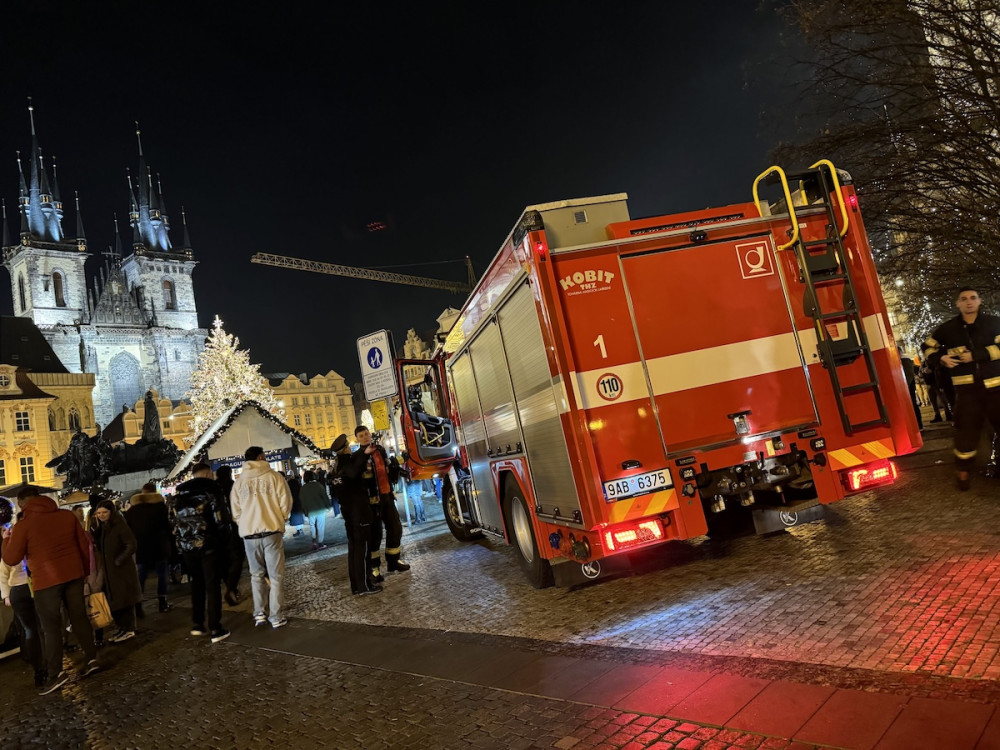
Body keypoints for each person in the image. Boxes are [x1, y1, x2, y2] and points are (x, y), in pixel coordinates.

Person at [1, 486, 100, 694]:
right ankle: (91, 658)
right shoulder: (66, 516)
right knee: (79, 617)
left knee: (51, 627)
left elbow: (11, 558)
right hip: (73, 574)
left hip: (46, 581)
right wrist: (82, 572)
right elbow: (83, 545)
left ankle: (56, 674)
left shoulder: (23, 526)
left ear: (21, 503)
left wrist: (6, 540)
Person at [921, 286, 1000, 491]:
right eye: (964, 299)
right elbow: (928, 346)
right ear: (958, 304)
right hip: (967, 392)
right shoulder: (948, 329)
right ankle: (963, 472)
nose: (969, 302)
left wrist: (976, 355)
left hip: (996, 388)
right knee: (966, 432)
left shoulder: (994, 323)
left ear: (979, 301)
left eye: (973, 298)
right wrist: (941, 358)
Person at [230, 446, 293, 628]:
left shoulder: (239, 482)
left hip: (250, 535)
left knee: (256, 575)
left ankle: (259, 614)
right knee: (275, 576)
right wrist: (280, 518)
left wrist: (245, 523)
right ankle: (275, 616)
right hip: (271, 531)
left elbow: (236, 511)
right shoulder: (274, 477)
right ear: (260, 457)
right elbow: (285, 502)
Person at [172, 462, 231, 643]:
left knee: (196, 583)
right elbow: (221, 519)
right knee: (212, 585)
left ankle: (198, 623)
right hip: (209, 544)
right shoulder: (211, 491)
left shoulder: (179, 496)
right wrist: (225, 542)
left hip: (188, 547)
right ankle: (215, 627)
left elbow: (173, 523)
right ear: (206, 474)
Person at [0, 496, 45, 687]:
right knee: (37, 628)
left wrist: (6, 594)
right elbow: (4, 571)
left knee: (32, 629)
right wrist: (6, 594)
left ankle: (39, 668)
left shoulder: (11, 545)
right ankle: (42, 663)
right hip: (28, 588)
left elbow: (4, 570)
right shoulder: (25, 544)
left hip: (23, 589)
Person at [355, 426, 410, 582]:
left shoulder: (380, 449)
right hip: (372, 502)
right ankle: (374, 569)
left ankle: (393, 561)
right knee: (375, 535)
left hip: (387, 495)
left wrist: (396, 469)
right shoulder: (358, 456)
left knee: (396, 528)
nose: (365, 437)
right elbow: (357, 475)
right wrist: (364, 457)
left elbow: (387, 471)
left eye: (366, 434)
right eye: (361, 435)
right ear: (357, 439)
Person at [332, 434, 381, 595]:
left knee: (354, 550)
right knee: (362, 550)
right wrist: (365, 454)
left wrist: (364, 453)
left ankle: (356, 585)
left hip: (349, 513)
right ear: (346, 447)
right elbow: (353, 471)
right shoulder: (347, 464)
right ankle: (364, 585)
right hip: (358, 513)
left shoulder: (336, 467)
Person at [92, 499, 143, 643]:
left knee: (125, 600)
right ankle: (123, 628)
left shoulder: (119, 525)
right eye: (99, 513)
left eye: (104, 512)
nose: (101, 515)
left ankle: (129, 629)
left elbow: (131, 544)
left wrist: (119, 560)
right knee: (117, 601)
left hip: (121, 570)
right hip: (111, 571)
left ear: (111, 512)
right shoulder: (103, 528)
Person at [124, 482, 173, 616]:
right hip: (159, 546)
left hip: (141, 548)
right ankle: (162, 603)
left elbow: (127, 529)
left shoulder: (132, 510)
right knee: (162, 575)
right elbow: (166, 526)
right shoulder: (160, 507)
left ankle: (138, 605)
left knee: (141, 575)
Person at [216, 465, 244, 606]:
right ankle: (231, 587)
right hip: (234, 527)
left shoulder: (214, 488)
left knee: (224, 560)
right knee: (237, 558)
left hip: (219, 530)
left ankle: (230, 585)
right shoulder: (233, 486)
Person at [299, 470, 330, 551]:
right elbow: (324, 497)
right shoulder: (318, 485)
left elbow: (302, 501)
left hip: (310, 511)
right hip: (320, 509)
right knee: (320, 526)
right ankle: (320, 543)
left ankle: (314, 542)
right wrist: (328, 506)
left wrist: (305, 511)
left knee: (312, 526)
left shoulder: (303, 488)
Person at [898, 347, 923, 431]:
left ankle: (918, 426)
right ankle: (919, 425)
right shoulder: (907, 361)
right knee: (913, 405)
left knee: (912, 406)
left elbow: (908, 378)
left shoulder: (904, 361)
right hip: (910, 388)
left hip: (907, 389)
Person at [287, 472, 305, 536]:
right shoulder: (297, 485)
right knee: (299, 515)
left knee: (296, 516)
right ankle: (300, 530)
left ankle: (299, 530)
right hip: (298, 501)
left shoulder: (289, 486)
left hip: (293, 502)